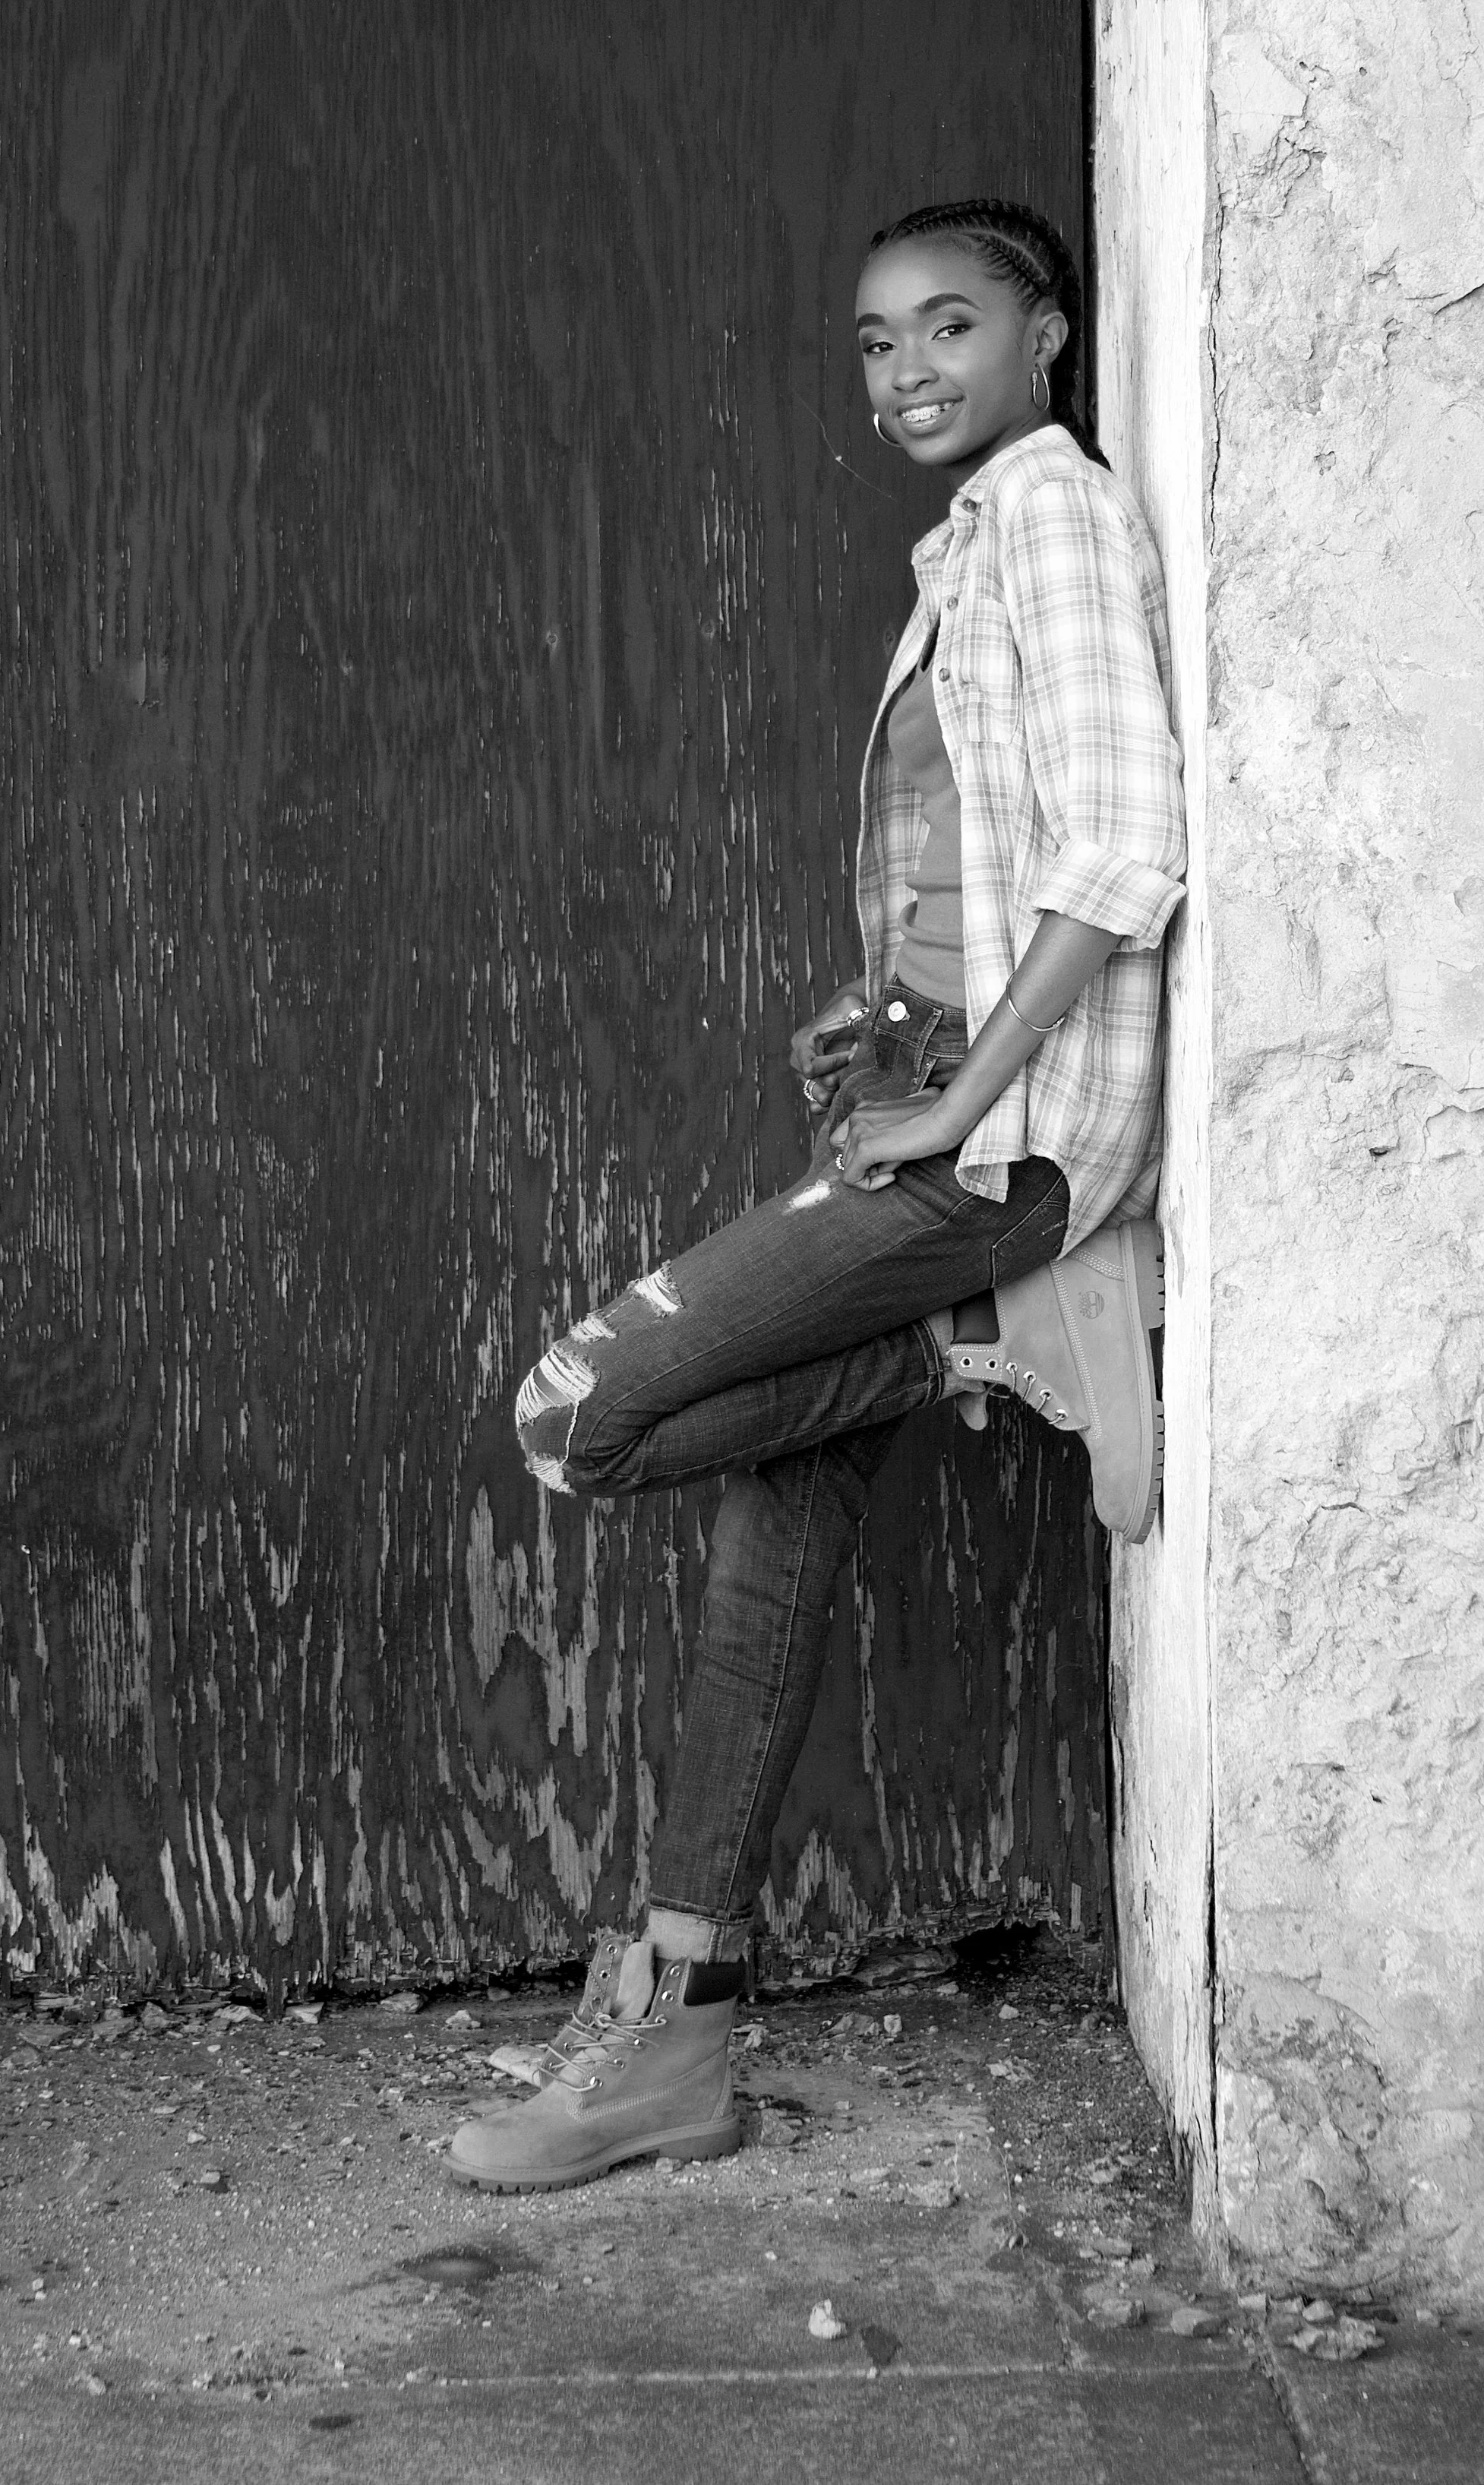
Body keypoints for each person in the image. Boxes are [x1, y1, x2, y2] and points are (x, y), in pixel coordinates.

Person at [449, 196, 1186, 2195]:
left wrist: (960, 1108)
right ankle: (676, 2029)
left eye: (952, 322)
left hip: (1016, 1160)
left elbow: (1125, 849)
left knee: (573, 1413)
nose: (909, 366)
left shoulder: (1047, 507)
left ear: (1046, 336)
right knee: (775, 1533)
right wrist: (898, 1025)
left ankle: (974, 1335)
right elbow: (1009, 842)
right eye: (874, 340)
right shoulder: (980, 538)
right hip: (972, 1112)